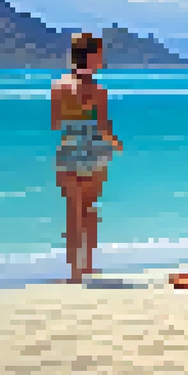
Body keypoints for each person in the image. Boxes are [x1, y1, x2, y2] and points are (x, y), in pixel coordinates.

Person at [51, 33, 121, 283]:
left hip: (69, 147)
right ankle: (88, 264)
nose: (102, 59)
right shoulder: (98, 90)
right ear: (89, 57)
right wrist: (116, 144)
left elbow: (54, 123)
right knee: (89, 210)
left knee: (73, 213)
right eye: (99, 55)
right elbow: (103, 126)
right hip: (93, 149)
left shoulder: (58, 87)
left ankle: (74, 272)